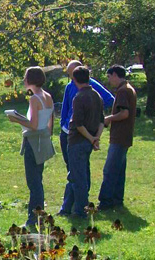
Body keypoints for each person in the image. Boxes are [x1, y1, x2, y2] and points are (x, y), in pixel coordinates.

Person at [8, 66, 56, 230]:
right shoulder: (47, 96)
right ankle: (39, 214)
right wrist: (48, 134)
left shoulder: (35, 99)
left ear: (30, 80)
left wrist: (17, 120)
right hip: (43, 139)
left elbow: (33, 125)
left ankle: (33, 218)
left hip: (34, 141)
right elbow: (50, 120)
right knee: (38, 179)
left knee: (33, 182)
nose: (23, 80)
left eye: (25, 77)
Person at [59, 66, 104, 218]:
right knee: (80, 173)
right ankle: (67, 208)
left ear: (75, 79)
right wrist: (96, 138)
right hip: (89, 141)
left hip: (78, 141)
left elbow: (78, 124)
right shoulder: (97, 95)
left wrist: (91, 138)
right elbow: (101, 121)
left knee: (79, 178)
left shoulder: (78, 97)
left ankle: (80, 211)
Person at [59, 60, 114, 171]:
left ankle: (80, 187)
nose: (72, 79)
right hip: (67, 130)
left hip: (83, 131)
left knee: (80, 165)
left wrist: (93, 111)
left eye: (72, 75)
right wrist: (63, 125)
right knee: (70, 164)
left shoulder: (91, 86)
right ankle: (75, 186)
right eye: (70, 75)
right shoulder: (69, 86)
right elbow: (65, 107)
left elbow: (109, 99)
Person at [99, 65, 137, 210]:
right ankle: (117, 199)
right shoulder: (128, 88)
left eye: (109, 77)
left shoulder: (122, 91)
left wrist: (108, 119)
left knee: (109, 169)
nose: (109, 81)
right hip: (125, 135)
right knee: (119, 170)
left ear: (115, 75)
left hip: (120, 136)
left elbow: (124, 113)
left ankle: (106, 202)